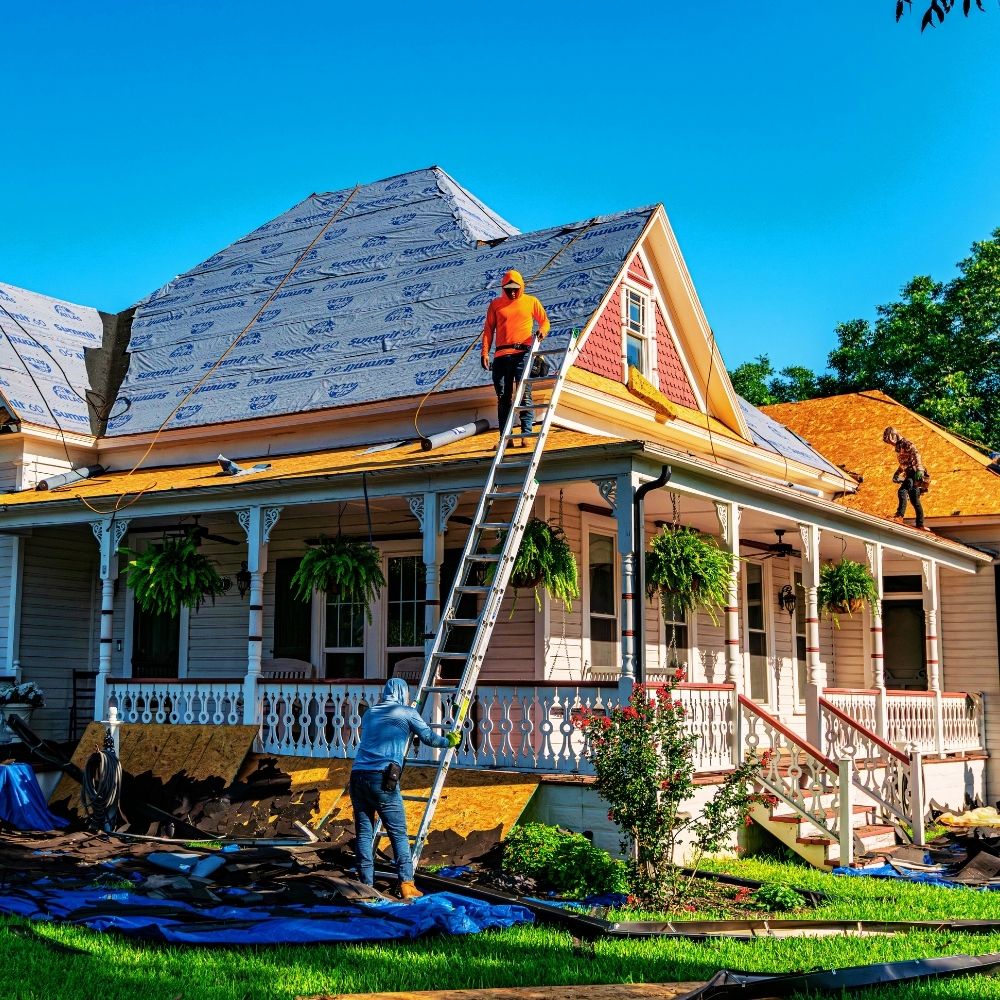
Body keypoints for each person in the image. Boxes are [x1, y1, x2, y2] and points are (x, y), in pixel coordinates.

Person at [350, 677, 461, 899]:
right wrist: (449, 740)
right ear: (403, 694)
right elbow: (429, 738)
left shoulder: (370, 713)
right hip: (382, 778)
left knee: (364, 832)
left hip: (357, 775)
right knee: (398, 833)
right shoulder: (407, 713)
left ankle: (366, 886)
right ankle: (407, 885)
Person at [481, 269, 551, 446]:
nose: (512, 292)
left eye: (515, 288)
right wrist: (484, 352)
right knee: (504, 397)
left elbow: (545, 321)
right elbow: (489, 330)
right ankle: (505, 438)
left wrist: (541, 332)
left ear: (521, 287)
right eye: (508, 288)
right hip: (501, 356)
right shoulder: (496, 304)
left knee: (524, 394)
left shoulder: (530, 301)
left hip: (522, 353)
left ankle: (526, 433)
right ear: (503, 288)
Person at [883, 426, 929, 529]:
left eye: (890, 440)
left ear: (893, 436)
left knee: (902, 491)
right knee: (914, 499)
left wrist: (920, 469)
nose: (890, 443)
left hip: (914, 472)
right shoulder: (899, 448)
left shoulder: (906, 444)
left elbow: (916, 454)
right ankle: (920, 524)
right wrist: (897, 473)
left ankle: (899, 516)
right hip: (909, 472)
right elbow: (904, 463)